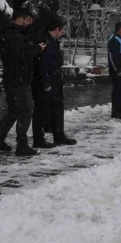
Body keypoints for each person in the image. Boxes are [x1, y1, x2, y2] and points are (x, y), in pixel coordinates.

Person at [0, 9, 45, 156]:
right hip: (18, 79)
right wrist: (37, 49)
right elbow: (21, 56)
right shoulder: (14, 35)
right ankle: (21, 144)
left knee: (14, 110)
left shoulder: (12, 33)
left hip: (14, 78)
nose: (29, 24)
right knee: (26, 109)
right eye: (28, 21)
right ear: (21, 19)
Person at [32, 16, 77, 147]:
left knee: (57, 108)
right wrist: (46, 82)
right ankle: (39, 139)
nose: (63, 33)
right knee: (42, 110)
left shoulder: (53, 41)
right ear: (56, 29)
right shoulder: (44, 40)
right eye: (62, 30)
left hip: (55, 79)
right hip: (45, 80)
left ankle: (59, 135)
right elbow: (43, 63)